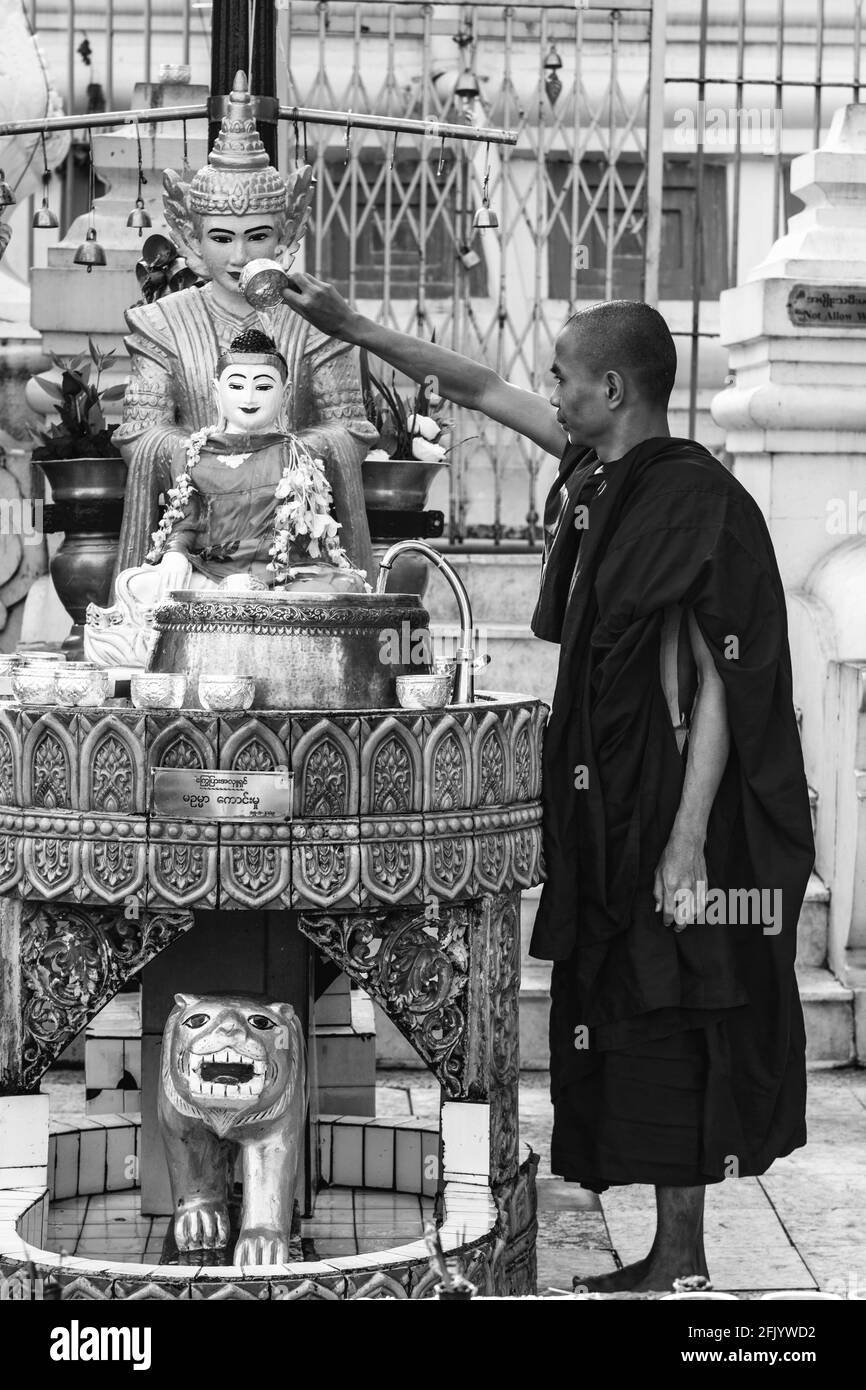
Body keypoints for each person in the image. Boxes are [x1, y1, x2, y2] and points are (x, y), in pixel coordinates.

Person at [279, 272, 814, 1292]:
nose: (549, 389)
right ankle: (667, 1255)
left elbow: (717, 681)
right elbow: (477, 387)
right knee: (615, 1000)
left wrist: (686, 844)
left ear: (611, 388)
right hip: (604, 795)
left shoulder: (692, 499)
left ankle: (682, 1261)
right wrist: (349, 326)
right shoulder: (598, 466)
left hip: (668, 801)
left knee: (670, 1010)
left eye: (564, 377)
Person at [111, 70, 376, 586]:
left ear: (288, 231)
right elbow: (141, 433)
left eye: (257, 237)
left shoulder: (317, 320)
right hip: (198, 526)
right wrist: (211, 461)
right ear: (190, 235)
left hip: (294, 531)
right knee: (149, 588)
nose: (238, 258)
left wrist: (278, 459)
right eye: (221, 238)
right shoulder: (161, 322)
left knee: (332, 590)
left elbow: (351, 430)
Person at [84, 327, 364, 667]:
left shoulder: (296, 454)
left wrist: (270, 574)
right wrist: (175, 554)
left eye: (262, 386)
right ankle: (234, 636)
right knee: (136, 583)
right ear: (217, 392)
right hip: (209, 575)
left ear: (285, 393)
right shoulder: (194, 453)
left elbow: (304, 538)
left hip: (275, 578)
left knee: (343, 587)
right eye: (236, 385)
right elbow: (185, 520)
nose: (249, 397)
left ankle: (188, 646)